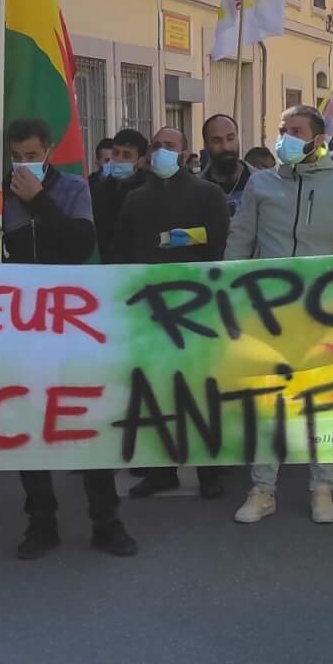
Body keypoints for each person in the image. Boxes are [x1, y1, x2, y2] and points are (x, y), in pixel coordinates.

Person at [0, 118, 137, 558]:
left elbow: (79, 245)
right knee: (26, 422)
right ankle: (40, 523)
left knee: (86, 417)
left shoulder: (71, 190)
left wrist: (39, 200)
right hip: (15, 326)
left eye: (32, 155)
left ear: (48, 151)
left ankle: (107, 521)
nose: (24, 164)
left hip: (69, 324)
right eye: (16, 157)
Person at [224, 104, 333, 525]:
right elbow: (240, 240)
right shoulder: (260, 183)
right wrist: (229, 296)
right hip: (266, 313)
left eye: (294, 130)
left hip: (323, 315)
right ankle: (263, 489)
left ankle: (322, 488)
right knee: (268, 402)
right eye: (281, 129)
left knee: (322, 403)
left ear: (318, 138)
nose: (284, 137)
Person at [117, 127, 231, 502]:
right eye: (157, 146)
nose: (162, 151)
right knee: (155, 391)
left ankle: (209, 471)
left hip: (197, 306)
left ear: (184, 154)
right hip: (149, 307)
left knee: (201, 391)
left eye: (170, 146)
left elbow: (219, 248)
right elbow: (123, 252)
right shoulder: (134, 198)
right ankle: (159, 471)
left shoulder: (207, 194)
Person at [89, 127, 147, 257]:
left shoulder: (149, 192)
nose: (119, 159)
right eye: (115, 153)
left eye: (126, 155)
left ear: (141, 161)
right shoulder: (98, 189)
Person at [201, 113, 255, 213]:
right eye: (217, 141)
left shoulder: (261, 183)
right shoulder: (196, 189)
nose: (225, 147)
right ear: (206, 145)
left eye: (230, 138)